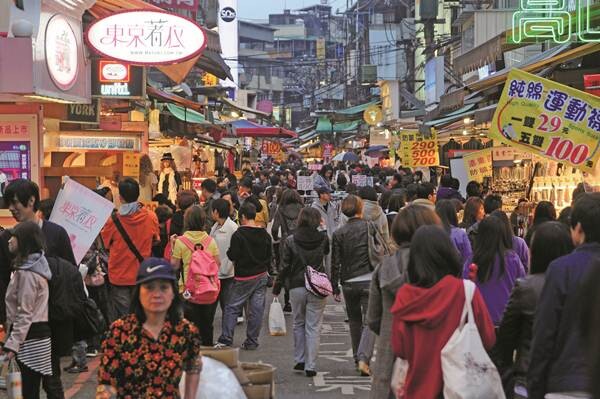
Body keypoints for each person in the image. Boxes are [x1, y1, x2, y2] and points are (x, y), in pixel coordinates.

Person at [391, 225, 495, 398]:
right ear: (449, 254)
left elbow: (399, 348)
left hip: (416, 389)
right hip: (460, 389)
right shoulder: (465, 292)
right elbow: (488, 338)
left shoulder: (405, 297)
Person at [0, 179, 75, 398]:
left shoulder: (56, 233)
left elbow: (68, 272)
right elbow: (2, 279)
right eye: (9, 204)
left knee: (52, 381)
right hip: (23, 323)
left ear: (32, 200)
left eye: (16, 203)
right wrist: (5, 319)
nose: (12, 209)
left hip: (52, 319)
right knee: (25, 385)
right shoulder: (6, 237)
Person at [96, 258, 202, 399]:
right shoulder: (119, 331)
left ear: (173, 293)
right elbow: (106, 382)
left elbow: (193, 367)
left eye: (164, 287)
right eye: (149, 287)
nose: (157, 294)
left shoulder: (186, 331)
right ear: (138, 292)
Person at [528, 193, 600, 399]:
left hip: (567, 382)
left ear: (578, 229)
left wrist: (536, 388)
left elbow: (545, 332)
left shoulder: (561, 269)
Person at [367, 205, 441, 399]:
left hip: (391, 356)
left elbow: (373, 319)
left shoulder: (384, 269)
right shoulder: (440, 268)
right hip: (433, 360)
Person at [494, 222, 573, 399]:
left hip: (528, 380)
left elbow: (506, 341)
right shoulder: (580, 285)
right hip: (568, 381)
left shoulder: (526, 288)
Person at [273, 207, 330, 377]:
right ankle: (311, 365)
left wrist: (277, 287)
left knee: (298, 323)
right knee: (313, 326)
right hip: (317, 286)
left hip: (297, 285)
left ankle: (300, 359)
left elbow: (284, 267)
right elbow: (326, 253)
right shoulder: (323, 238)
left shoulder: (291, 240)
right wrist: (324, 228)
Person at [0, 221, 53, 398]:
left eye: (14, 237)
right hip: (35, 336)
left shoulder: (28, 274)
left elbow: (25, 313)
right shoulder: (34, 268)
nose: (9, 241)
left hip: (30, 338)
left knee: (27, 391)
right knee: (29, 390)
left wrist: (12, 345)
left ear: (24, 242)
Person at [101, 177, 160, 322]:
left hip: (119, 276)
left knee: (124, 318)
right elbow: (156, 240)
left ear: (120, 198)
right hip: (142, 275)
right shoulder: (151, 217)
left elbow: (106, 244)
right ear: (138, 194)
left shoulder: (113, 221)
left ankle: (127, 341)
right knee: (141, 315)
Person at [216, 203, 272, 350]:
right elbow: (269, 257)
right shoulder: (265, 235)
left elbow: (232, 255)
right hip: (261, 276)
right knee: (256, 310)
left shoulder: (239, 235)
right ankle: (252, 341)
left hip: (243, 277)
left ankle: (226, 338)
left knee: (232, 307)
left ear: (243, 217)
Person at [331, 195, 375, 376]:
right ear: (360, 208)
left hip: (348, 281)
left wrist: (334, 286)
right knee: (368, 321)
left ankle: (358, 358)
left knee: (354, 321)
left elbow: (335, 262)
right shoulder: (369, 227)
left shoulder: (339, 233)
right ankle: (364, 358)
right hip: (368, 278)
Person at [170, 206, 221, 346]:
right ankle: (208, 353)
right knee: (207, 324)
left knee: (190, 324)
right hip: (208, 289)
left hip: (187, 290)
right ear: (203, 221)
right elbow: (217, 264)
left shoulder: (180, 241)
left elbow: (173, 266)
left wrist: (172, 247)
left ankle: (192, 353)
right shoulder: (210, 241)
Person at [465, 215, 526, 326]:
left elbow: (464, 288)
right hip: (506, 322)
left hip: (478, 323)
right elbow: (522, 289)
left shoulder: (472, 259)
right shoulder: (512, 259)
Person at [272, 189, 304, 312]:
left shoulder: (280, 209)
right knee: (299, 266)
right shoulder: (302, 208)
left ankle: (287, 300)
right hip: (300, 239)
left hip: (285, 240)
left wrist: (276, 238)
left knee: (285, 267)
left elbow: (275, 228)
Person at [210, 199, 238, 314]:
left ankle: (227, 329)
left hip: (228, 273)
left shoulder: (233, 228)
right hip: (215, 272)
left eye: (212, 211)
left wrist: (228, 265)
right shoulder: (215, 226)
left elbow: (236, 251)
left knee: (226, 304)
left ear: (216, 212)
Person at [311, 186, 338, 274]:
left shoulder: (333, 206)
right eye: (327, 193)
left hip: (331, 238)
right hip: (320, 238)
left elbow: (336, 219)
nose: (330, 195)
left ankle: (329, 283)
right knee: (320, 263)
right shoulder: (314, 207)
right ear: (321, 195)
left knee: (330, 263)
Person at [436, 199, 472, 264]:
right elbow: (468, 258)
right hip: (457, 271)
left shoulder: (430, 232)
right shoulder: (460, 234)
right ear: (453, 214)